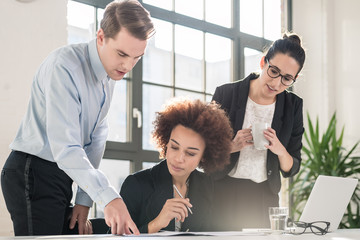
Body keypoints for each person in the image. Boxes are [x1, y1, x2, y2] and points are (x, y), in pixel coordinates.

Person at [1, 0, 155, 236]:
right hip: (33, 171)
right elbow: (67, 147)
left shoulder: (109, 73)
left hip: (64, 175)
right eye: (122, 54)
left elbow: (96, 139)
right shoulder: (65, 67)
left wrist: (84, 199)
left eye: (137, 57)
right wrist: (108, 197)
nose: (128, 65)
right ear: (101, 36)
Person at [211, 33, 306, 230]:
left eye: (287, 78)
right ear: (263, 62)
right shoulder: (226, 94)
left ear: (294, 79)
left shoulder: (293, 106)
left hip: (265, 197)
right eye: (274, 71)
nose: (277, 83)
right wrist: (231, 146)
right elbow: (203, 152)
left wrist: (280, 150)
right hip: (222, 191)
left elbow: (292, 167)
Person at [118, 98, 233, 233]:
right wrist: (157, 223)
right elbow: (115, 238)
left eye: (190, 153)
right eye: (174, 147)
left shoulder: (208, 185)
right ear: (166, 143)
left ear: (204, 156)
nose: (179, 159)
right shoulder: (136, 184)